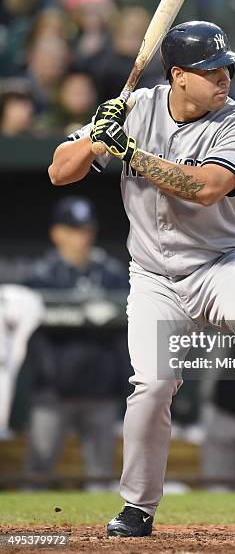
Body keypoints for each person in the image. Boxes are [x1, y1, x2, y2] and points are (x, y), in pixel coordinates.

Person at [48, 20, 235, 537]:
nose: (224, 77)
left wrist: (131, 153)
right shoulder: (136, 108)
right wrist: (98, 135)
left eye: (226, 67)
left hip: (220, 261)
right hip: (154, 275)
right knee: (153, 386)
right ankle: (137, 507)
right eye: (211, 69)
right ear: (179, 75)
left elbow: (206, 188)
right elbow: (59, 171)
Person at [24, 196, 130, 488]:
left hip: (100, 391)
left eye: (86, 229)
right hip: (52, 393)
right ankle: (27, 531)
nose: (82, 237)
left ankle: (96, 535)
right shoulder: (41, 276)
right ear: (57, 232)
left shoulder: (110, 274)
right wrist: (85, 314)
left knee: (100, 476)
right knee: (38, 471)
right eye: (73, 229)